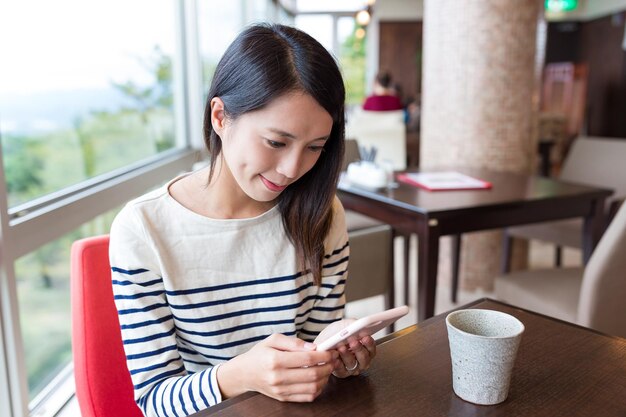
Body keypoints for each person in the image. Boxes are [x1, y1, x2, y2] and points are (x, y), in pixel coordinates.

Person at [109, 23, 376, 417]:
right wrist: (239, 376)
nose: (291, 169)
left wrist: (342, 357)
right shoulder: (144, 230)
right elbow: (154, 401)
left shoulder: (321, 213)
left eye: (315, 147)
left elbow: (318, 346)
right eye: (276, 142)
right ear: (220, 116)